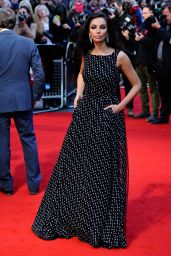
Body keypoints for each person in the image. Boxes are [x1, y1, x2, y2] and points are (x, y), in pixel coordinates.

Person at [32, 12, 141, 248]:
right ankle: (77, 219)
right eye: (94, 27)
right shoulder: (86, 55)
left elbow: (137, 84)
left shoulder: (119, 56)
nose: (99, 31)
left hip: (106, 116)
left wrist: (120, 106)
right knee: (77, 166)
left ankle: (96, 225)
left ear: (107, 30)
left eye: (102, 27)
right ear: (89, 31)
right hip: (84, 116)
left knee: (100, 170)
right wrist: (79, 93)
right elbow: (82, 74)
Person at [0, 8, 45, 196]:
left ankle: (6, 185)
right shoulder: (27, 43)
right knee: (29, 141)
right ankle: (34, 186)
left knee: (1, 144)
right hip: (23, 100)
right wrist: (33, 97)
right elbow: (40, 75)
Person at [151, 4, 171, 124]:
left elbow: (169, 39)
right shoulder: (165, 26)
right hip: (160, 66)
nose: (165, 17)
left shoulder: (164, 29)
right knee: (163, 93)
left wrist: (159, 28)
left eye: (167, 14)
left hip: (169, 66)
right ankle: (163, 116)